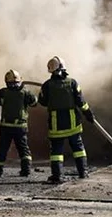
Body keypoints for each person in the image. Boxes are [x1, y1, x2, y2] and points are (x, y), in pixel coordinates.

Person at [37, 56, 95, 184]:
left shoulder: (47, 85)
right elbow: (81, 102)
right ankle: (83, 173)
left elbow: (42, 102)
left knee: (56, 151)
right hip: (73, 123)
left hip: (56, 124)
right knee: (78, 148)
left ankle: (56, 176)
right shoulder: (72, 83)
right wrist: (88, 114)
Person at [0, 69, 38, 178]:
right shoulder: (25, 92)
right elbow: (34, 103)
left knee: (2, 150)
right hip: (20, 127)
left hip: (5, 126)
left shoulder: (2, 92)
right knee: (23, 149)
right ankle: (26, 170)